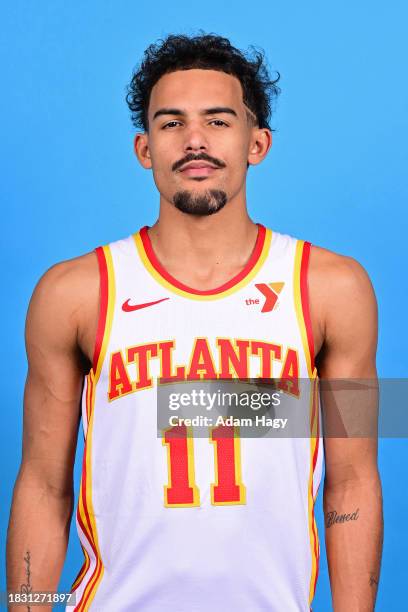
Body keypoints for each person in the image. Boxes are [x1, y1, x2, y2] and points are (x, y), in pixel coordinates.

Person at [7, 33, 383, 611]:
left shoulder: (333, 287)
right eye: (171, 123)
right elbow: (43, 484)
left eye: (218, 121)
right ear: (144, 148)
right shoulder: (74, 293)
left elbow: (352, 480)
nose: (195, 142)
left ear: (257, 143)